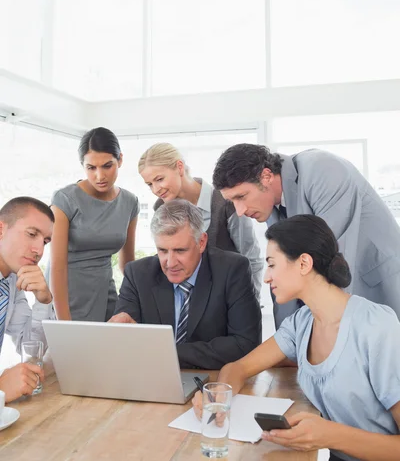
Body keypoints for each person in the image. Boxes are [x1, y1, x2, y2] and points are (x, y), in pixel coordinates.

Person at [192, 215, 400, 461]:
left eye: (272, 264)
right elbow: (238, 367)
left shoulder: (376, 328)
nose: (266, 277)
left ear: (303, 263)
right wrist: (218, 398)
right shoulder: (301, 323)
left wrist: (329, 435)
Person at [213, 143, 400, 327]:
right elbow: (287, 274)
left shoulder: (323, 170)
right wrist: (286, 339)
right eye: (232, 201)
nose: (239, 211)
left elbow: (328, 262)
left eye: (241, 197)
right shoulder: (272, 207)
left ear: (266, 176)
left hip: (379, 280)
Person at [109, 199, 261, 369]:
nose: (170, 263)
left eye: (180, 250)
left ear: (201, 242)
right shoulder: (137, 274)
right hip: (152, 376)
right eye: (162, 250)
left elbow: (245, 344)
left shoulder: (232, 270)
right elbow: (126, 342)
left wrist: (167, 352)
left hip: (214, 381)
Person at [138, 143, 264, 297]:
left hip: (229, 296)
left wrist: (251, 301)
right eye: (150, 184)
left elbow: (252, 258)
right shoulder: (160, 207)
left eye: (159, 179)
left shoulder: (226, 203)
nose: (155, 189)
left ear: (179, 167)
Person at [49, 127, 140, 322]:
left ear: (120, 160)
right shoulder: (65, 199)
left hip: (105, 294)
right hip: (65, 297)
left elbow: (128, 265)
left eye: (107, 165)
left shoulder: (130, 202)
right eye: (91, 168)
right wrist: (65, 323)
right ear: (83, 165)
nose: (100, 176)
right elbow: (57, 267)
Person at [0, 197, 54, 402]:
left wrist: (43, 301)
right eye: (31, 234)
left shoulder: (12, 281)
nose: (39, 251)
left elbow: (31, 348)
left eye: (45, 242)